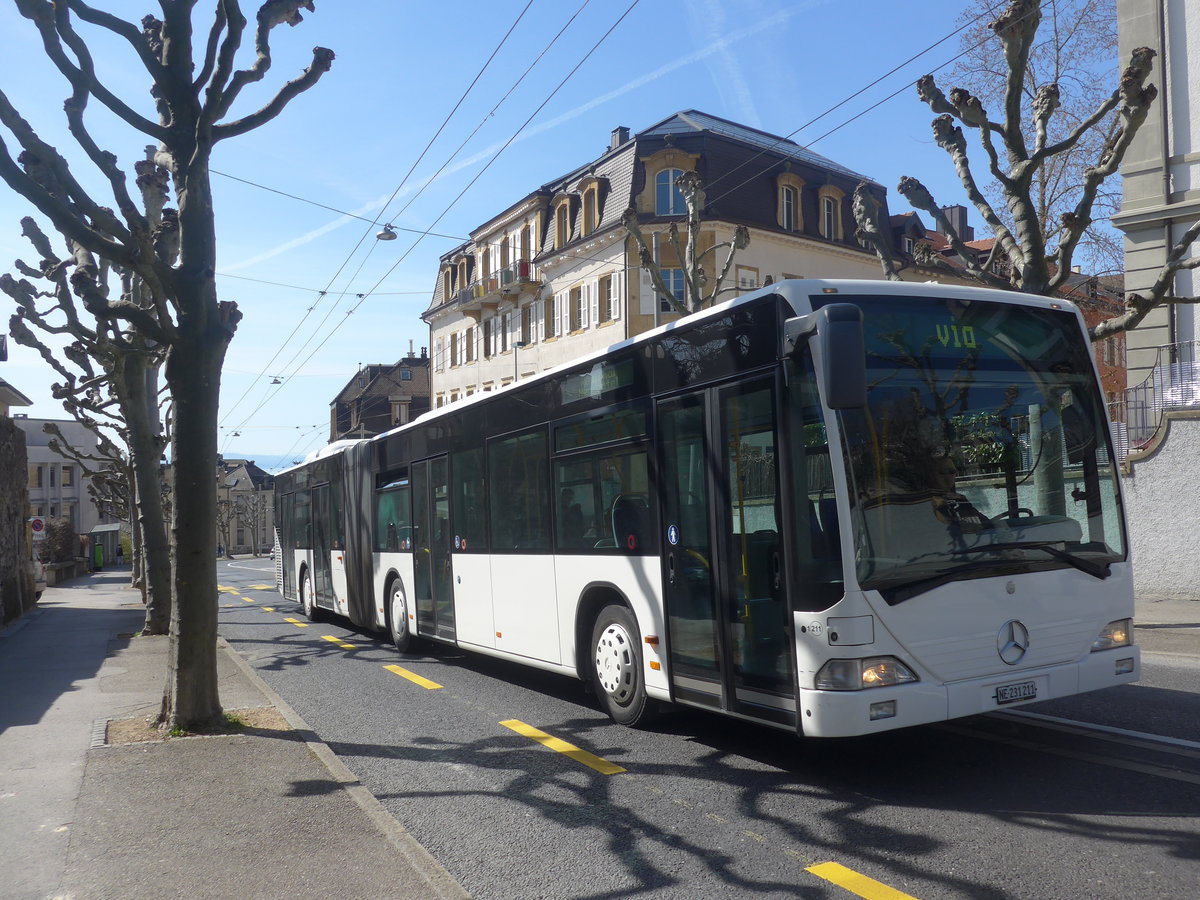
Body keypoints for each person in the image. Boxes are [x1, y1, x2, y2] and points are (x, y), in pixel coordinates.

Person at [929, 455, 991, 532]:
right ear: (932, 476)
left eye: (951, 472)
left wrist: (965, 506)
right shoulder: (929, 502)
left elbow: (986, 524)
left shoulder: (959, 500)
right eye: (941, 473)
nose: (947, 477)